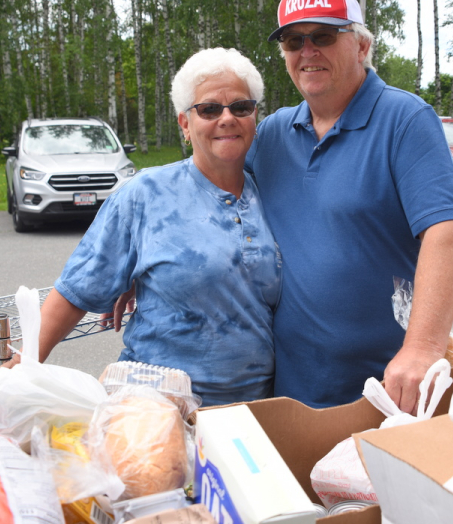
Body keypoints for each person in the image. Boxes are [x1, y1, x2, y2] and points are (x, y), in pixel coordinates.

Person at [245, 0, 453, 412]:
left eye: (324, 37)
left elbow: (445, 234)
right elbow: (212, 191)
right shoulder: (272, 133)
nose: (307, 52)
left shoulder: (405, 120)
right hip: (289, 386)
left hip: (384, 388)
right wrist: (146, 257)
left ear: (362, 46)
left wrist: (423, 348)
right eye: (294, 41)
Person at [20, 47, 282, 406]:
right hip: (155, 407)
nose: (227, 118)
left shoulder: (272, 192)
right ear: (185, 123)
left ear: (254, 117)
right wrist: (20, 370)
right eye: (208, 109)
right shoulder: (145, 194)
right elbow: (73, 293)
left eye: (241, 107)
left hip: (251, 411)